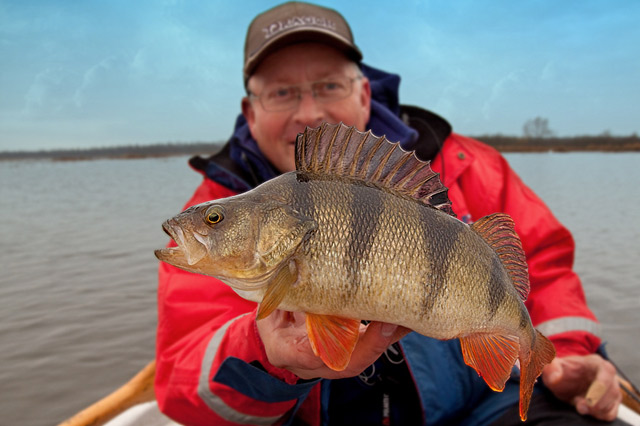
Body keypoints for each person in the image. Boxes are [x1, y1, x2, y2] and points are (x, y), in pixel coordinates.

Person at [155, 2, 624, 425]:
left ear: (364, 93)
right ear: (249, 110)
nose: (310, 111)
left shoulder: (469, 166)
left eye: (328, 85)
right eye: (282, 92)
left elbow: (545, 271)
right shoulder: (218, 206)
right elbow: (183, 379)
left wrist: (567, 354)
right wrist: (268, 353)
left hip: (480, 410)